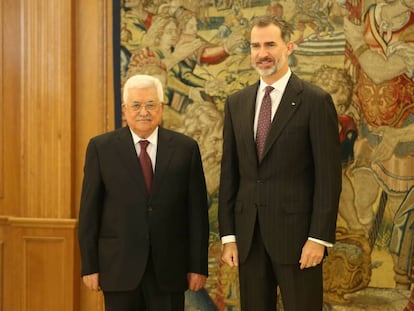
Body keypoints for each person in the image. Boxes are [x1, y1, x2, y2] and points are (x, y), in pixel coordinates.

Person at [218, 15, 342, 310]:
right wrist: (229, 236)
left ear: (289, 46)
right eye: (255, 46)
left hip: (299, 241)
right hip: (249, 239)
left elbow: (329, 177)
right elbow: (229, 175)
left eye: (270, 44)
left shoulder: (315, 101)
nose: (262, 53)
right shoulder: (236, 103)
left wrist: (318, 238)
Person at [78, 74, 209, 311]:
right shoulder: (101, 148)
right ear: (125, 109)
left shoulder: (185, 149)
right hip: (119, 269)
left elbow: (197, 214)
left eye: (150, 105)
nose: (144, 112)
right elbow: (89, 212)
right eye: (136, 105)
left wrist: (198, 266)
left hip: (169, 269)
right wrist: (90, 266)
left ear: (161, 107)